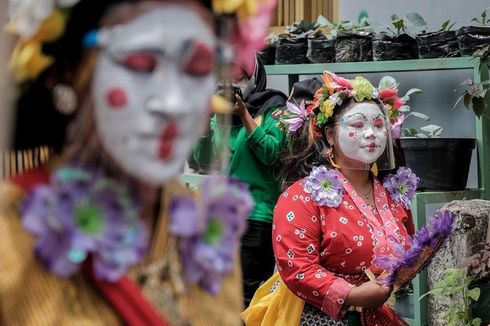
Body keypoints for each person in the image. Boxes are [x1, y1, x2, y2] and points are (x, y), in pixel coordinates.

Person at [0, 0, 276, 325]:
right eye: (141, 64)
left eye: (198, 67)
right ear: (68, 72)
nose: (173, 103)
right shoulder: (10, 237)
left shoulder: (207, 233)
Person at [242, 72, 419, 326]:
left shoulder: (393, 195)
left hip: (376, 316)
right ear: (328, 135)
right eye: (357, 125)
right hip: (315, 317)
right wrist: (351, 294)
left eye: (379, 126)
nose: (371, 134)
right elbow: (298, 267)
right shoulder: (302, 196)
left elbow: (407, 249)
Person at [193, 56, 288, 307]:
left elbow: (272, 153)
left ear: (254, 77)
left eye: (238, 77)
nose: (230, 83)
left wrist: (244, 113)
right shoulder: (221, 113)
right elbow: (203, 158)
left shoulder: (275, 107)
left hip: (257, 216)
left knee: (245, 299)